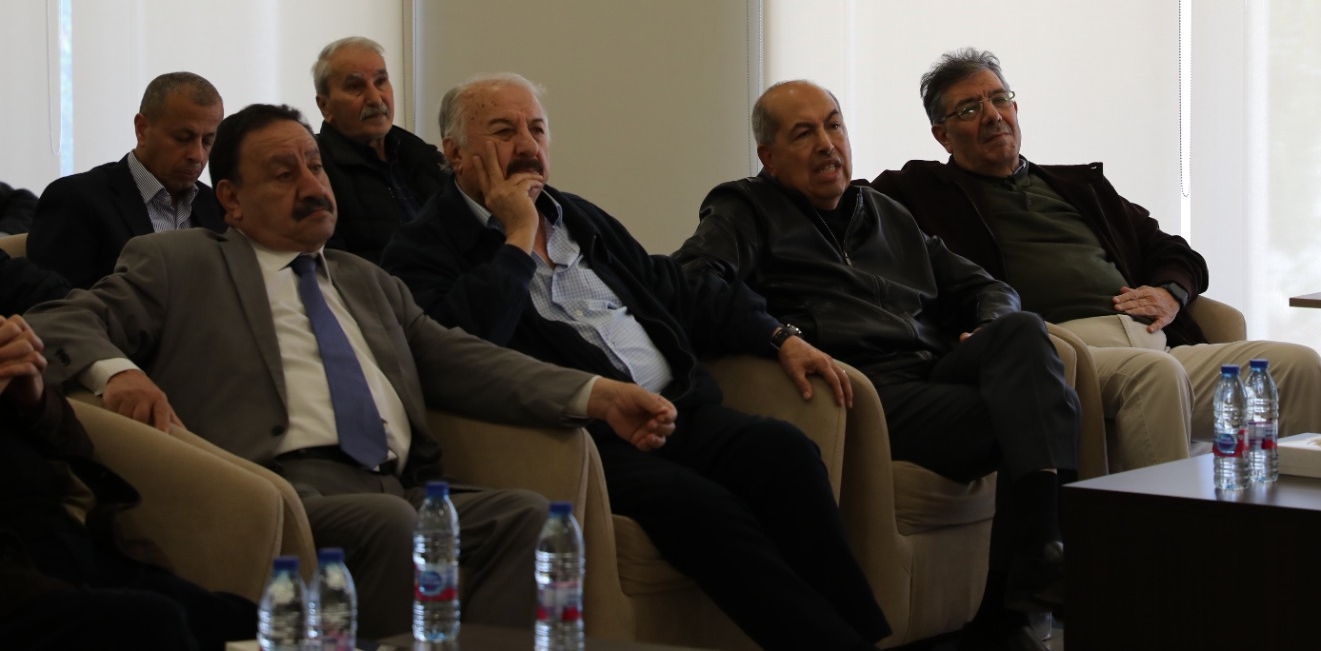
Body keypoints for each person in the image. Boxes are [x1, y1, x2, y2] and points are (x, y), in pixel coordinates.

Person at [24, 104, 676, 638]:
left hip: (399, 487)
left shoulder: (366, 280)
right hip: (276, 488)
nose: (313, 186)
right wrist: (118, 373)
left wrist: (595, 394)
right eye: (284, 174)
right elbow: (61, 320)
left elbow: (459, 357)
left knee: (526, 519)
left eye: (315, 166)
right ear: (232, 201)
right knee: (389, 526)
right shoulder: (179, 262)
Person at [381, 74, 890, 651]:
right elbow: (463, 349)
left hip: (680, 411)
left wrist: (778, 336)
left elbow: (677, 287)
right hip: (586, 438)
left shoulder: (576, 217)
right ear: (454, 153)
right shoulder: (422, 248)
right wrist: (517, 236)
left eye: (537, 130)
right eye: (504, 131)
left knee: (787, 452)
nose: (526, 145)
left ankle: (866, 638)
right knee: (704, 509)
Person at [674, 80, 1081, 651]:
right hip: (863, 390)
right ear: (769, 156)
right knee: (1041, 413)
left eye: (834, 125)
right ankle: (1012, 602)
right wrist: (778, 335)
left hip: (928, 372)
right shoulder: (745, 210)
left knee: (1022, 331)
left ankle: (1034, 561)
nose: (826, 144)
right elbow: (695, 283)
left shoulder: (885, 213)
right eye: (804, 134)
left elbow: (988, 286)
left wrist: (989, 324)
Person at [871, 48, 1321, 471]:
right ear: (942, 135)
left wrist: (1170, 294)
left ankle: (1298, 525)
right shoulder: (920, 193)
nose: (993, 115)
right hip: (1059, 352)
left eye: (1000, 99)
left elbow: (1174, 250)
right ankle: (1169, 532)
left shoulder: (1079, 187)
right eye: (970, 109)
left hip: (1153, 341)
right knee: (1156, 376)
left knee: (1297, 366)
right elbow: (850, 214)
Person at [0, 314, 256, 651]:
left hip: (67, 548)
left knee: (249, 621)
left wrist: (35, 401)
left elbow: (78, 452)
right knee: (152, 622)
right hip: (16, 586)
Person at [29, 72, 227, 288]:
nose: (197, 155)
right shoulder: (76, 200)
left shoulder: (218, 207)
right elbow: (57, 303)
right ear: (142, 129)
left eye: (208, 141)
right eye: (182, 138)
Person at [313, 37, 449, 262]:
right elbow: (333, 269)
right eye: (355, 86)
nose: (375, 99)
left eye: (381, 81)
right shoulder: (315, 172)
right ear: (325, 106)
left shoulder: (424, 158)